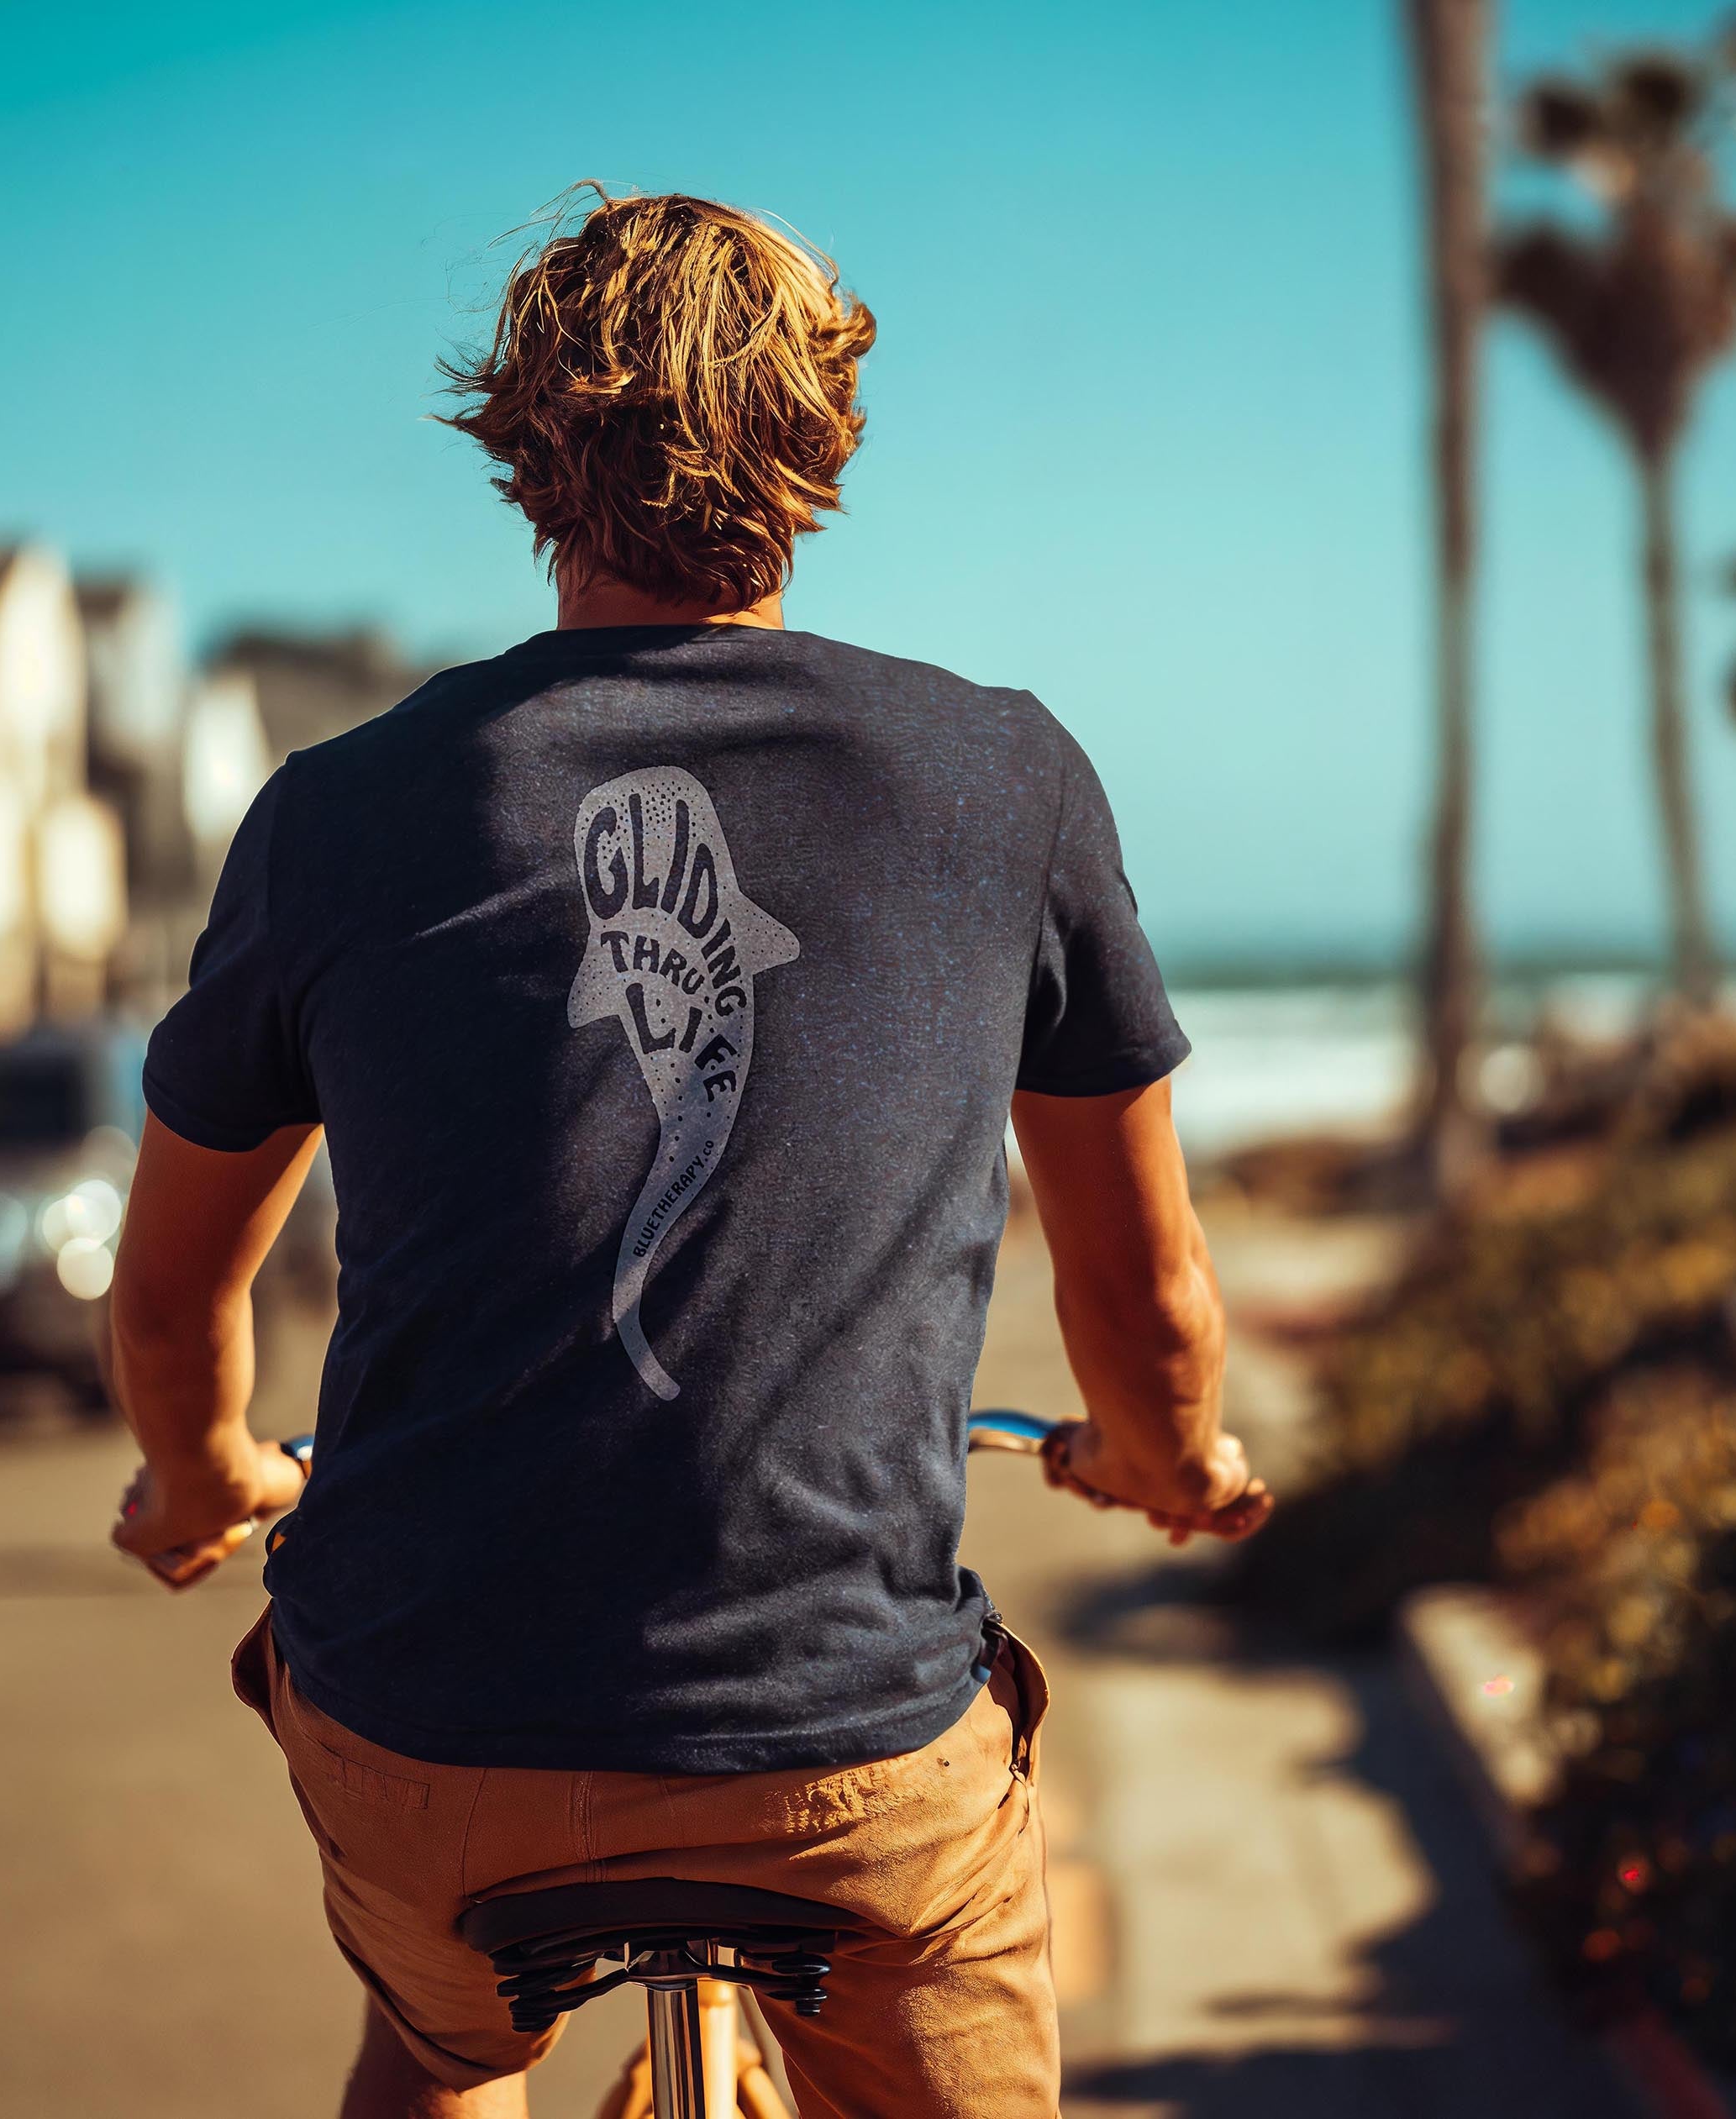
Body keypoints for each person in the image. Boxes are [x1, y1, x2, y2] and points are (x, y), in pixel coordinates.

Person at [105, 187, 1272, 2119]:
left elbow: (168, 1300)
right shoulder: (1005, 780)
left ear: (527, 442)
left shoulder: (339, 812)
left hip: (430, 1755)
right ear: (824, 433)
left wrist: (201, 1471)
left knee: (436, 2034)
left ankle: (451, 2058)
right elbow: (1144, 1292)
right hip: (849, 1764)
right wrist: (1163, 1453)